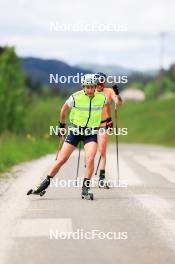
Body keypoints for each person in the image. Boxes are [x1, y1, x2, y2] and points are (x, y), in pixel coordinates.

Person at [27, 74, 107, 200]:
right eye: (87, 87)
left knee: (90, 158)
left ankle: (85, 189)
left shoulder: (102, 98)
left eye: (92, 87)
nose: (90, 90)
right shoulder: (75, 97)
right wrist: (62, 126)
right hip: (75, 132)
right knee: (61, 159)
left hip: (90, 133)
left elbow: (113, 105)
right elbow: (63, 110)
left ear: (95, 86)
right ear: (83, 87)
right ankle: (43, 185)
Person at [95, 72, 122, 188]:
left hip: (104, 124)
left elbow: (118, 103)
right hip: (91, 125)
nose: (100, 85)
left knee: (101, 151)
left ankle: (101, 178)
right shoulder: (90, 91)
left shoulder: (109, 91)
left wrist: (117, 95)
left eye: (102, 83)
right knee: (90, 153)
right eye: (98, 83)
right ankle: (87, 177)